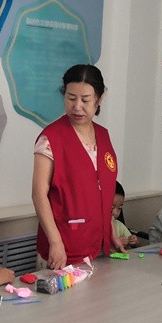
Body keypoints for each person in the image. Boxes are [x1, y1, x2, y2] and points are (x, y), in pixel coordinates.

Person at [32, 64, 125, 269]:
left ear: (99, 99)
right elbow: (39, 195)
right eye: (71, 98)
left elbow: (103, 190)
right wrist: (55, 242)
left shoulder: (103, 135)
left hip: (99, 246)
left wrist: (110, 231)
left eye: (85, 100)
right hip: (63, 248)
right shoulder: (51, 139)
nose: (77, 107)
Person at [112, 181, 139, 249]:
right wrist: (115, 243)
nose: (115, 212)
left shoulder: (118, 225)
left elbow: (137, 246)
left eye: (119, 208)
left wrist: (134, 242)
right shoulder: (93, 228)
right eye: (111, 208)